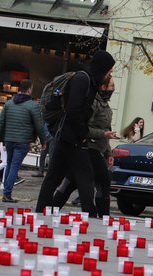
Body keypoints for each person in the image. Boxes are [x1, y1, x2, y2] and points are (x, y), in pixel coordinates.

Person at [35, 50, 115, 217]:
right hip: (72, 136)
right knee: (85, 175)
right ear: (102, 68)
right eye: (110, 69)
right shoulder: (82, 79)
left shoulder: (89, 81)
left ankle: (41, 209)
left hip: (67, 135)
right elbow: (74, 110)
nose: (111, 73)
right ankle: (90, 214)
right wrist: (82, 134)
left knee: (54, 176)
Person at [51, 75, 119, 217]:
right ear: (103, 87)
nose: (114, 89)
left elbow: (107, 129)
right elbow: (87, 128)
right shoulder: (94, 103)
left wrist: (108, 153)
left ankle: (52, 208)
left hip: (98, 148)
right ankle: (102, 216)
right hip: (89, 148)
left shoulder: (104, 104)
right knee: (103, 181)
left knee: (71, 181)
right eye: (112, 86)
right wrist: (103, 134)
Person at [0, 80, 50, 203]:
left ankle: (5, 192)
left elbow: (1, 122)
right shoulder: (33, 105)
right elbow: (39, 126)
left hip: (9, 140)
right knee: (14, 167)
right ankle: (7, 193)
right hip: (22, 141)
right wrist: (44, 141)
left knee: (9, 164)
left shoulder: (8, 104)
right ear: (29, 89)